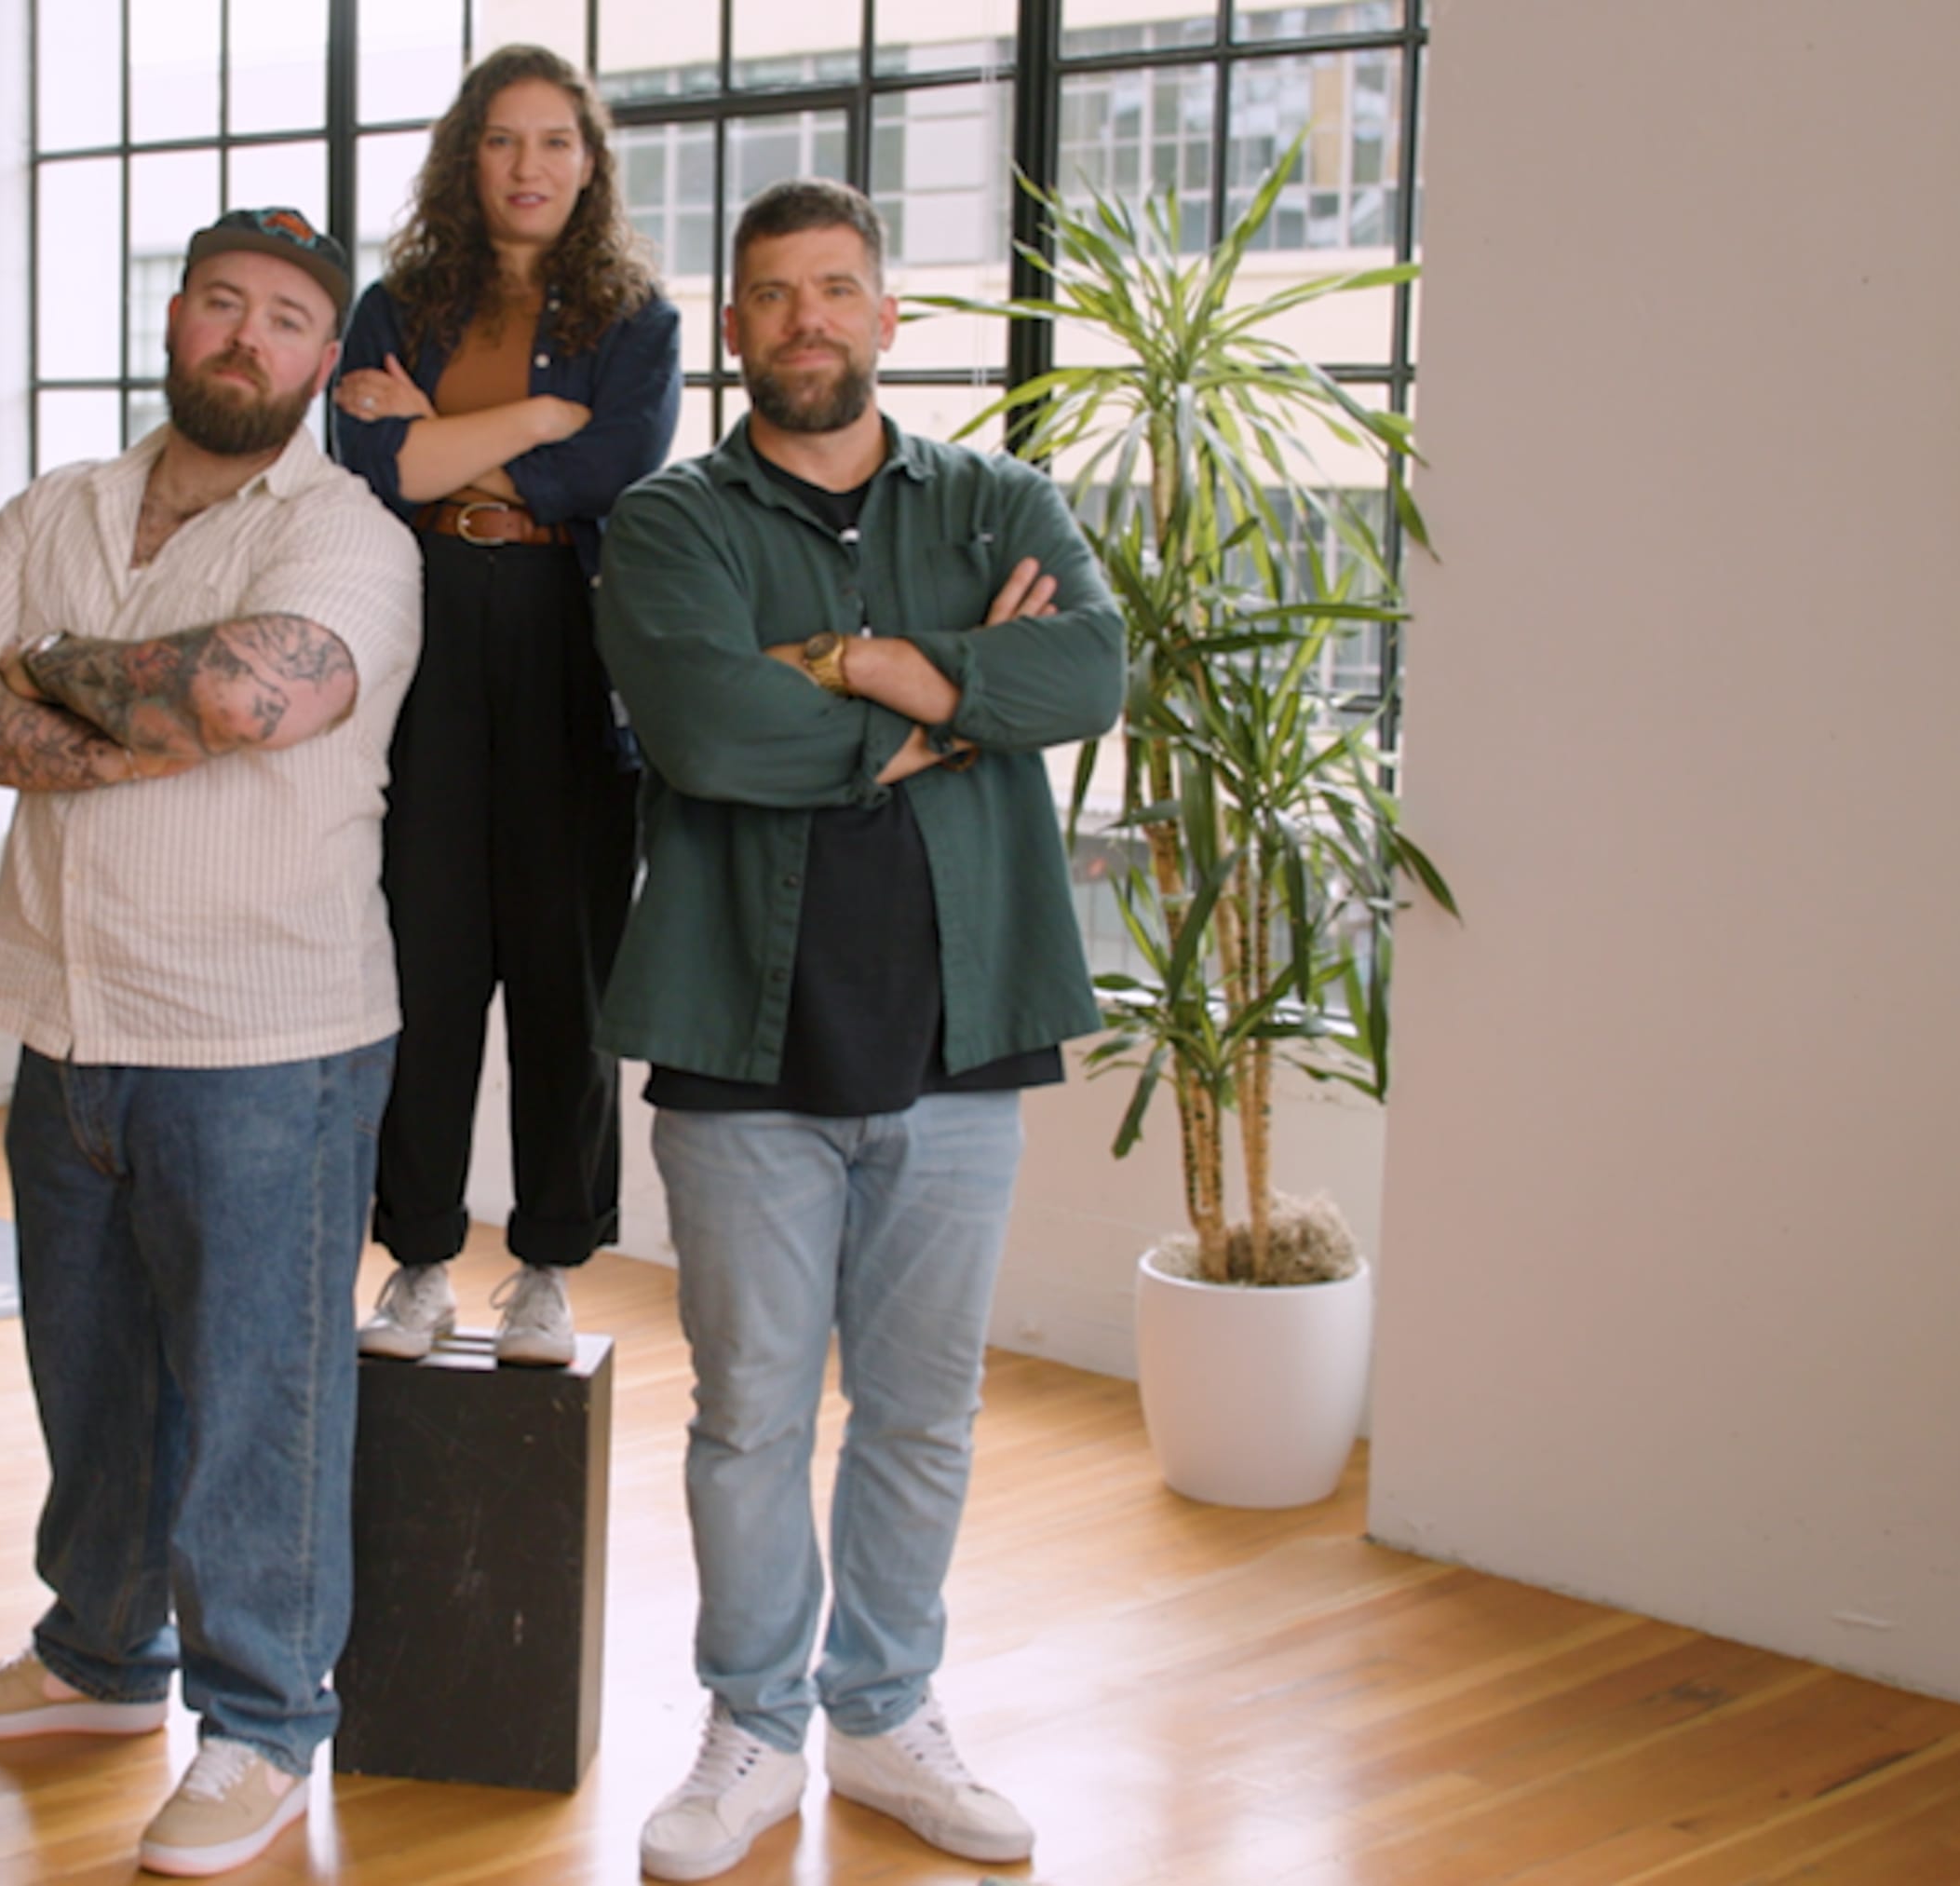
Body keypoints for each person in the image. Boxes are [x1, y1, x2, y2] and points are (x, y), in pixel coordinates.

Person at [593, 179, 1126, 1881]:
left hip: (964, 1034)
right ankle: (753, 1720)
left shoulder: (998, 498)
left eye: (839, 289)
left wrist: (854, 662)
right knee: (751, 1408)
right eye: (774, 295)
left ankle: (885, 1710)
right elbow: (702, 729)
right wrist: (956, 692)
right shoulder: (674, 524)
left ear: (890, 316)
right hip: (740, 1046)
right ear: (735, 328)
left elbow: (1091, 675)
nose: (808, 319)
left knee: (922, 1409)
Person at [0, 207, 420, 1880]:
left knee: (264, 1394)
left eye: (285, 320)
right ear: (176, 319)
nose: (246, 339)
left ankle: (261, 1728)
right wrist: (118, 705)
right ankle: (100, 1657)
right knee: (97, 1372)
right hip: (66, 1019)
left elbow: (257, 698)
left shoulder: (348, 532)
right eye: (221, 305)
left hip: (269, 1036)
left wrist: (45, 685)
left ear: (321, 364)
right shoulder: (57, 509)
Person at [330, 44, 680, 1369]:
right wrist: (537, 415)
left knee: (562, 964)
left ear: (589, 163)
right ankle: (417, 1257)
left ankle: (546, 1264)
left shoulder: (637, 321)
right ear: (463, 156)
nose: (529, 166)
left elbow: (607, 470)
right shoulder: (394, 304)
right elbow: (374, 469)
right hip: (421, 641)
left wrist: (458, 438)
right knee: (421, 957)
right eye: (502, 140)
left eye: (555, 142)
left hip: (565, 646)